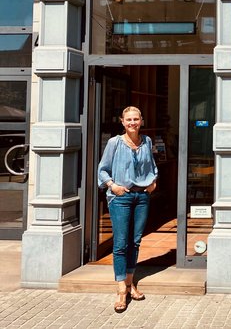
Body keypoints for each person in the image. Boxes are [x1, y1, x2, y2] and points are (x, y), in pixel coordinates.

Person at [98, 106, 158, 312]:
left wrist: (153, 182)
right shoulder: (114, 143)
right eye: (129, 120)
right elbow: (102, 170)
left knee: (135, 241)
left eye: (136, 119)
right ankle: (121, 290)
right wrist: (112, 186)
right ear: (122, 122)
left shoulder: (147, 141)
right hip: (121, 197)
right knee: (121, 244)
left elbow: (151, 166)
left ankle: (130, 283)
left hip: (142, 196)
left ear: (141, 121)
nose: (132, 123)